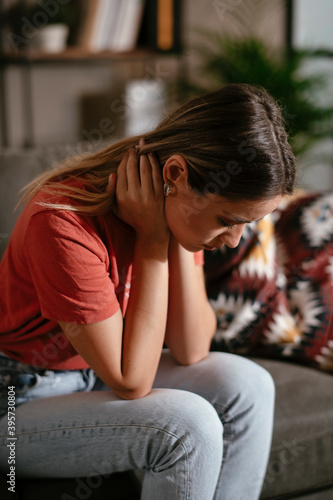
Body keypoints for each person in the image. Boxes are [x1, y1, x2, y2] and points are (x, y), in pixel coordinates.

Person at [0, 83, 295, 499]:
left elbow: (191, 347)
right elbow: (130, 380)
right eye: (228, 219)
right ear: (175, 174)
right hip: (19, 401)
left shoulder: (177, 211)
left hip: (92, 376)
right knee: (187, 425)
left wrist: (169, 235)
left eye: (245, 224)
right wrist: (153, 240)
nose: (233, 240)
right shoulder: (61, 222)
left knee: (249, 385)